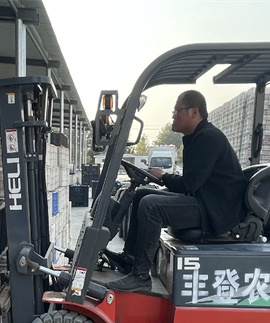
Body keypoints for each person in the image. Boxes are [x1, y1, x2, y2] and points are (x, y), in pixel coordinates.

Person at [106, 90, 248, 292]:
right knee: (141, 195)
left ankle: (141, 275)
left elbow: (189, 184)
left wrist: (164, 177)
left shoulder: (207, 138)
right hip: (206, 201)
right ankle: (130, 258)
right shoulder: (197, 137)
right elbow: (194, 182)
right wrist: (166, 184)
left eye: (176, 111)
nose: (173, 116)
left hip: (215, 211)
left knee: (151, 205)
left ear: (194, 112)